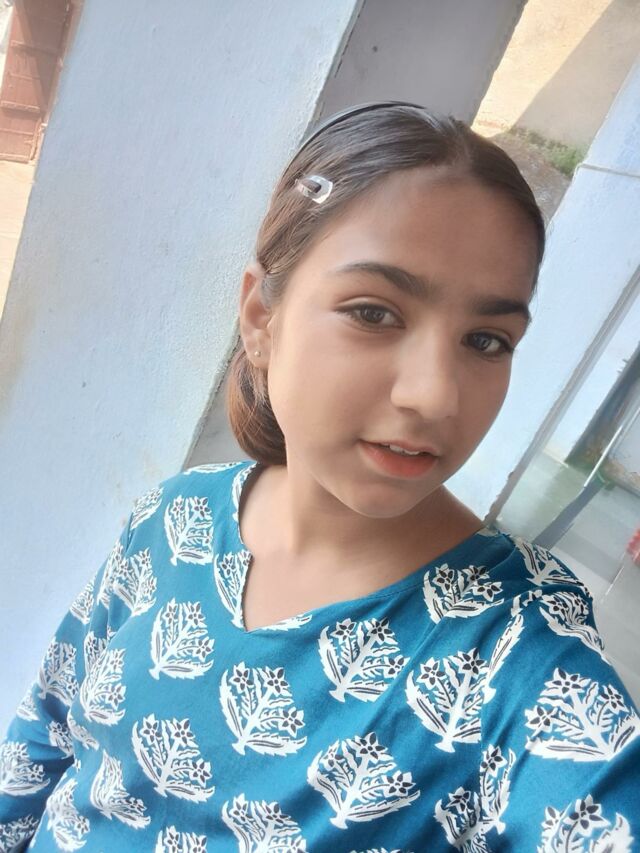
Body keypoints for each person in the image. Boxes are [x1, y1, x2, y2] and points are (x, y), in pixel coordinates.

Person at [1, 102, 638, 852]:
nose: (435, 395)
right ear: (260, 318)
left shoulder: (514, 653)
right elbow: (45, 731)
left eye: (486, 340)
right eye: (374, 313)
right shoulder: (172, 518)